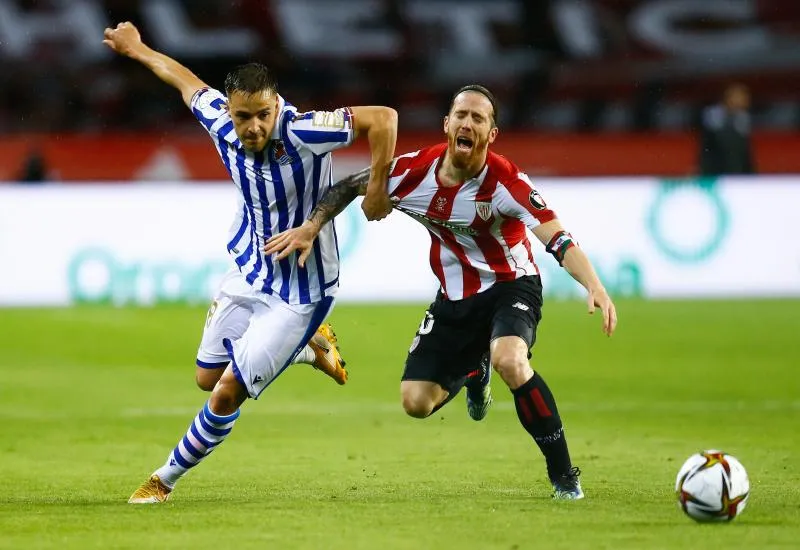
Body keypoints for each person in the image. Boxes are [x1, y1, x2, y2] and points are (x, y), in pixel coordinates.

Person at [265, 84, 617, 500]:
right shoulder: (416, 172)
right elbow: (346, 187)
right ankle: (474, 369)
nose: (468, 123)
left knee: (511, 360)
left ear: (491, 134)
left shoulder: (505, 181)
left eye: (479, 118)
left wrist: (593, 285)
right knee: (415, 402)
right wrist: (312, 227)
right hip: (454, 299)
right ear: (447, 125)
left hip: (512, 285)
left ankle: (563, 475)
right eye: (461, 115)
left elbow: (557, 238)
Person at [102, 22, 398, 503]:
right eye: (244, 117)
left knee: (225, 392)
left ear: (276, 106)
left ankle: (163, 479)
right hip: (249, 269)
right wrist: (137, 49)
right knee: (204, 377)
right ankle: (308, 349)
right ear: (231, 111)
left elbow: (383, 118)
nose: (254, 126)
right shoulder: (220, 121)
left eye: (263, 114)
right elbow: (184, 81)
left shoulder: (303, 129)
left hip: (302, 293)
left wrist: (379, 184)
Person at [698, 83, 755, 176]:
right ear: (728, 98)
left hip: (738, 174)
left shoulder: (743, 118)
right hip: (716, 172)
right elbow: (707, 151)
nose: (745, 101)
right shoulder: (712, 118)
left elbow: (744, 154)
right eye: (739, 97)